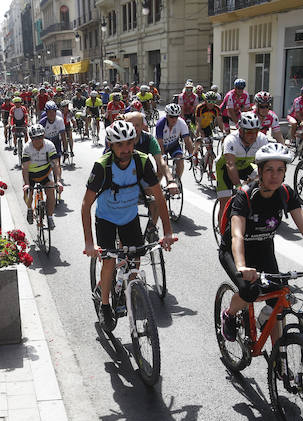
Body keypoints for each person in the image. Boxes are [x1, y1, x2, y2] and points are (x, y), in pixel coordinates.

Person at [219, 143, 303, 343]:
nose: (275, 175)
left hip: (264, 249)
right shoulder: (245, 196)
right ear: (259, 171)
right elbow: (237, 236)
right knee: (250, 291)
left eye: (280, 170)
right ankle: (229, 314)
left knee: (278, 298)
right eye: (269, 170)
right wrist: (241, 265)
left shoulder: (286, 193)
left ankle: (278, 364)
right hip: (234, 252)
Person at [81, 120, 178, 331]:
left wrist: (168, 232)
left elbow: (159, 198)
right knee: (108, 262)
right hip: (106, 219)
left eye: (129, 143)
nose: (125, 149)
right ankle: (105, 305)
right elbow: (86, 204)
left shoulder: (142, 162)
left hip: (129, 217)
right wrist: (89, 243)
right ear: (111, 146)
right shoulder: (102, 166)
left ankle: (133, 293)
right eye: (120, 145)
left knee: (135, 258)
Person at [215, 112, 269, 211]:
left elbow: (266, 164)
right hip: (225, 169)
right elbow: (230, 165)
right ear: (240, 131)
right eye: (249, 132)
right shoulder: (231, 140)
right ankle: (221, 226)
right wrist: (238, 186)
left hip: (245, 167)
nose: (253, 135)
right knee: (225, 201)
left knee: (263, 176)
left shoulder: (262, 139)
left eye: (256, 131)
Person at [21, 124, 63, 228]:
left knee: (51, 191)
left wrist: (58, 180)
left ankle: (49, 217)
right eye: (35, 138)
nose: (38, 140)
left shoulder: (49, 145)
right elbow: (25, 168)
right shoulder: (27, 147)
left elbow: (55, 164)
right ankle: (30, 209)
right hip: (31, 175)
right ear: (31, 138)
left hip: (45, 174)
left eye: (40, 137)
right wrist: (26, 184)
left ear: (44, 136)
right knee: (27, 193)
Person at [155, 103, 194, 185]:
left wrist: (192, 154)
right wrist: (162, 155)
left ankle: (177, 182)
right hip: (161, 146)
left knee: (180, 160)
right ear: (167, 116)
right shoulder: (160, 124)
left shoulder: (181, 123)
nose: (174, 119)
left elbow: (187, 140)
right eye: (171, 117)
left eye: (176, 116)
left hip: (174, 145)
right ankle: (155, 189)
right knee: (160, 170)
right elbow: (160, 142)